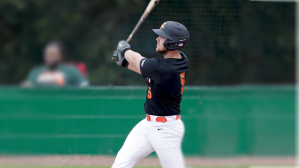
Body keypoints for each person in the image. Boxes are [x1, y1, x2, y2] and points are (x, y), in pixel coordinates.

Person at [111, 21, 189, 168]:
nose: (157, 39)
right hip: (148, 125)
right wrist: (124, 63)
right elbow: (147, 70)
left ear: (173, 43)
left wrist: (124, 50)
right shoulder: (180, 60)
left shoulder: (165, 68)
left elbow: (137, 60)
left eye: (162, 37)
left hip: (166, 131)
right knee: (120, 164)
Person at [22, 41, 89, 87]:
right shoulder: (36, 71)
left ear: (61, 55)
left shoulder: (71, 70)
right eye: (47, 54)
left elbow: (84, 86)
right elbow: (27, 88)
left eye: (52, 54)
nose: (49, 56)